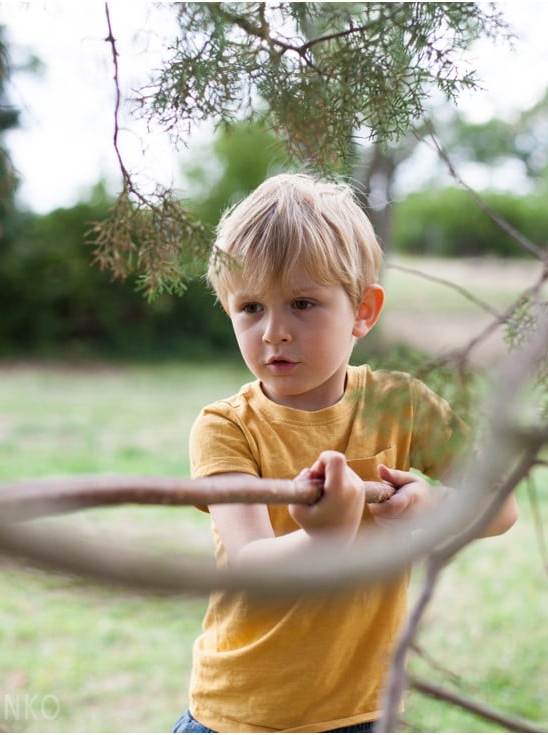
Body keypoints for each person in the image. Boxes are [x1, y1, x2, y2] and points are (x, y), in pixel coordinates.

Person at [176, 173, 518, 733]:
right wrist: (323, 536)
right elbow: (251, 560)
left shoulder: (402, 405)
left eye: (303, 303)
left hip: (364, 712)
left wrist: (435, 507)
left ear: (363, 310)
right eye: (251, 308)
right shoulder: (226, 428)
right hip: (243, 712)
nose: (274, 332)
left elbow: (501, 506)